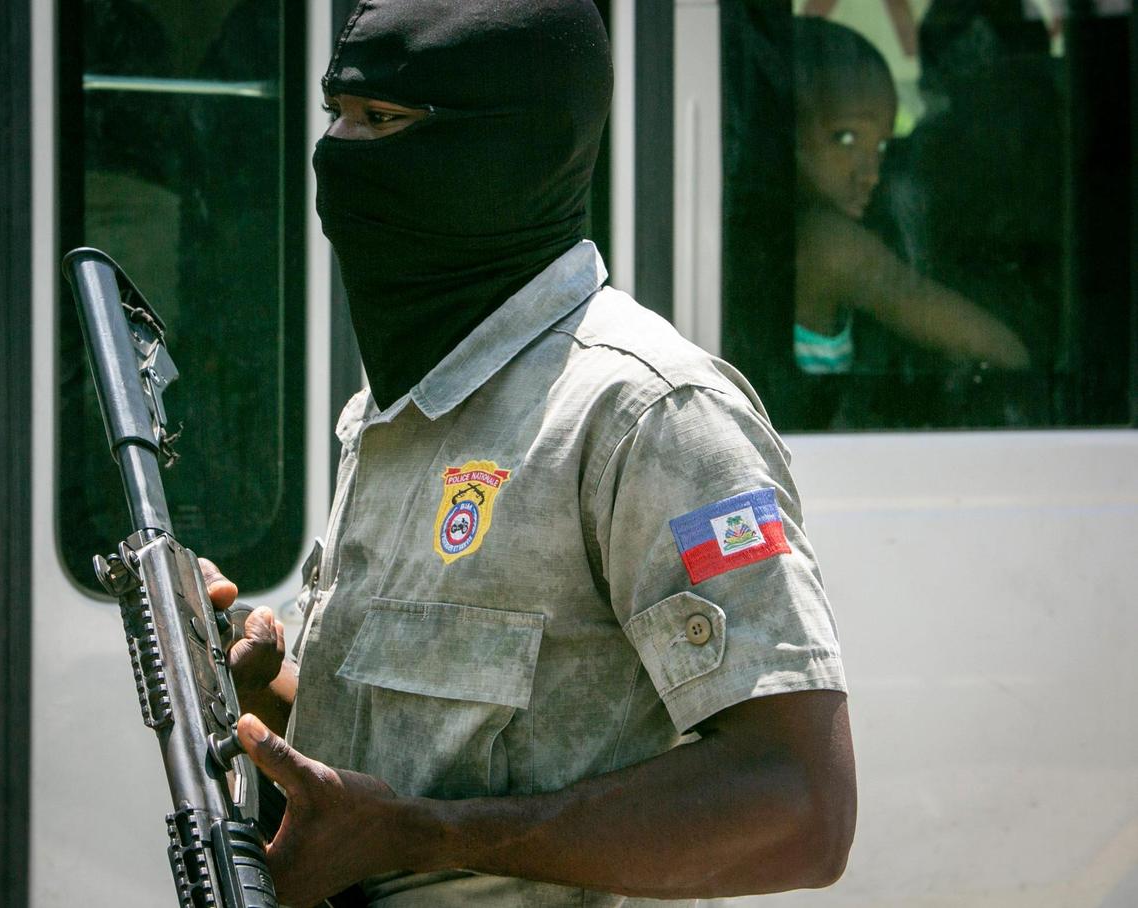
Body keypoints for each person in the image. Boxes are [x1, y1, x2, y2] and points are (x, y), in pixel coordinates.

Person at [204, 2, 855, 905]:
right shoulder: (396, 410)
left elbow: (798, 809)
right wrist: (261, 687)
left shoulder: (649, 414)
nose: (338, 155)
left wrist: (416, 836)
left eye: (384, 121)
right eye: (336, 114)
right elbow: (414, 748)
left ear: (511, 149)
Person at [792, 16, 1030, 377]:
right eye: (845, 138)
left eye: (883, 145)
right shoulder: (830, 244)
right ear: (784, 129)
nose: (871, 174)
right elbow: (1002, 352)